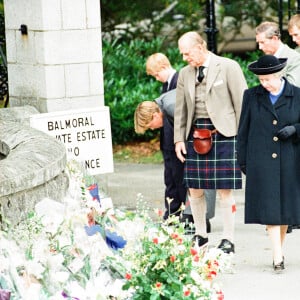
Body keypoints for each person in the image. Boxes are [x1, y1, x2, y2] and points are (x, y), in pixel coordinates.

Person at [174, 31, 247, 253]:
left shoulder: (228, 66)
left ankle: (228, 239)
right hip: (196, 136)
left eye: (187, 53)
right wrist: (179, 139)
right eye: (182, 54)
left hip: (224, 134)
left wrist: (243, 138)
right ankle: (201, 235)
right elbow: (180, 110)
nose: (185, 58)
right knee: (194, 188)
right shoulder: (184, 74)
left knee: (224, 190)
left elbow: (242, 103)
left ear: (200, 47)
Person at [237, 54, 300, 272]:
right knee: (270, 209)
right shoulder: (251, 96)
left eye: (269, 80)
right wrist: (242, 159)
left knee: (283, 211)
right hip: (261, 160)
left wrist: (295, 129)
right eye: (261, 80)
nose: (265, 84)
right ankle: (277, 256)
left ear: (279, 75)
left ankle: (278, 250)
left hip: (289, 159)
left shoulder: (297, 95)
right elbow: (243, 130)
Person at [145, 53, 216, 232]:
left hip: (180, 141)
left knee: (186, 182)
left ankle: (194, 217)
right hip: (169, 142)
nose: (156, 78)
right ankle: (173, 214)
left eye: (155, 74)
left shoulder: (179, 81)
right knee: (172, 180)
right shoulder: (166, 85)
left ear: (162, 67)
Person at [255, 21, 300, 87]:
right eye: (258, 43)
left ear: (274, 38)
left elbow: (293, 89)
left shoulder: (294, 58)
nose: (260, 47)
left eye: (262, 42)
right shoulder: (267, 59)